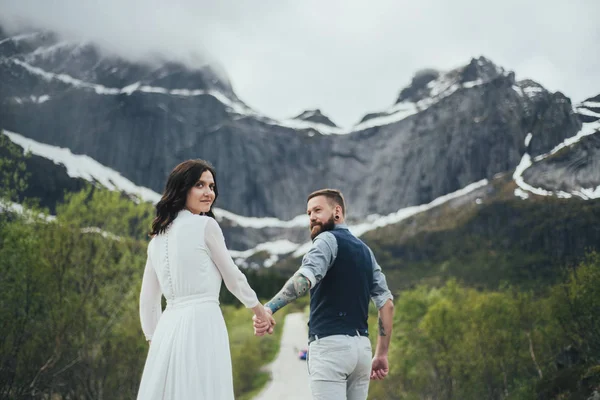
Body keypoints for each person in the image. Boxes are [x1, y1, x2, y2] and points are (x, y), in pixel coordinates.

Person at [137, 159, 274, 400]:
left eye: (211, 186)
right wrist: (261, 313)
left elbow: (148, 300)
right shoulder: (205, 225)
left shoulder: (156, 240)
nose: (208, 192)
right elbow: (233, 278)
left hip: (167, 329)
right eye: (200, 185)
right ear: (182, 188)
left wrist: (155, 343)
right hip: (203, 322)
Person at [254, 188, 394, 400]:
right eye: (309, 213)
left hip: (330, 347)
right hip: (362, 352)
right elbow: (387, 305)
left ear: (337, 211)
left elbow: (304, 279)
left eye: (317, 210)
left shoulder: (326, 240)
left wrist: (268, 308)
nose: (311, 217)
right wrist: (382, 354)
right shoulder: (366, 252)